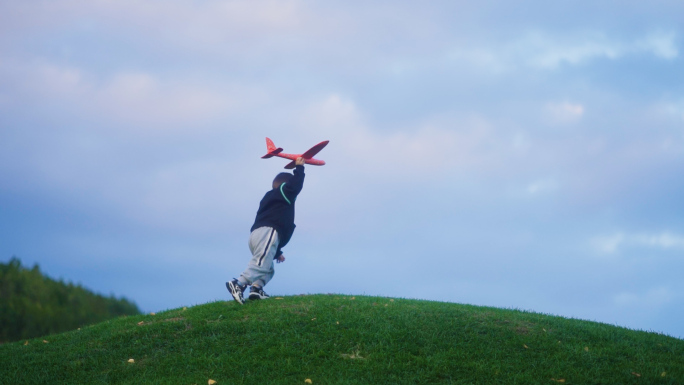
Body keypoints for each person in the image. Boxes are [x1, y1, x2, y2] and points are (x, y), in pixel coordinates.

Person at [226, 156, 306, 304]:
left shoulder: (270, 198)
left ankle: (256, 289)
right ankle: (239, 283)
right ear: (284, 186)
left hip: (257, 235)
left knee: (267, 267)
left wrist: (278, 252)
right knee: (261, 263)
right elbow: (295, 186)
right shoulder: (283, 191)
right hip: (268, 232)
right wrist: (299, 168)